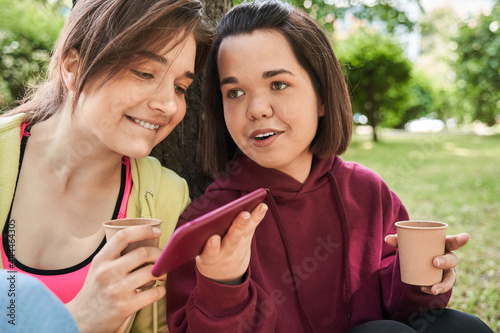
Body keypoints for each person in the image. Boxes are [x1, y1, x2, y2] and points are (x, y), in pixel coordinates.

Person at [166, 1, 493, 332]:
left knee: (459, 326)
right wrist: (223, 285)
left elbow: (405, 312)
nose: (257, 109)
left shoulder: (368, 192)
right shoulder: (209, 223)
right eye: (234, 92)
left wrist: (424, 279)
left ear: (322, 96)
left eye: (278, 84)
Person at [0, 0, 212, 332]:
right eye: (144, 72)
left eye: (180, 87)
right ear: (72, 67)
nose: (168, 105)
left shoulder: (166, 199)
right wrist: (75, 321)